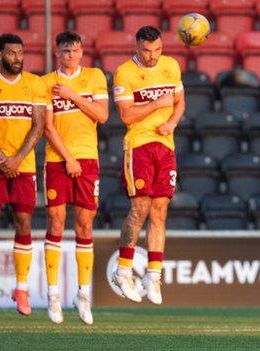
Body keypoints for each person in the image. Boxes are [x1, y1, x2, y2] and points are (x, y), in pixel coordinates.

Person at [0, 33, 47, 316]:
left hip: (24, 166)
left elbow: (38, 126)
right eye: (12, 53)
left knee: (24, 222)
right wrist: (3, 158)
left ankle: (22, 289)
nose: (18, 58)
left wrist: (16, 158)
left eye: (20, 52)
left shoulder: (35, 84)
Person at [111, 26, 185, 304]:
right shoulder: (124, 73)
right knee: (139, 207)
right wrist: (157, 104)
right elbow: (126, 115)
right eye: (146, 50)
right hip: (139, 144)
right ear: (137, 47)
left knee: (160, 210)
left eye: (157, 50)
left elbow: (180, 102)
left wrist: (173, 122)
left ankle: (153, 275)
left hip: (166, 146)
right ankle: (123, 269)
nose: (153, 56)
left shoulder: (171, 65)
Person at [41, 31, 109, 324]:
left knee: (84, 225)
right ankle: (53, 296)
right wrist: (67, 158)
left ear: (82, 53)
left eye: (76, 51)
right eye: (66, 51)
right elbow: (46, 126)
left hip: (88, 159)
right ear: (58, 53)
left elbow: (102, 115)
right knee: (55, 221)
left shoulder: (95, 77)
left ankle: (83, 296)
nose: (71, 55)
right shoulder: (44, 83)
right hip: (58, 160)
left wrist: (72, 95)